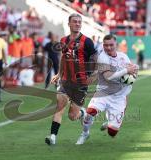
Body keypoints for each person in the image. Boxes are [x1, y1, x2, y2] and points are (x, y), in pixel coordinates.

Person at [75, 34, 138, 145]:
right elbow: (108, 76)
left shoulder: (123, 56)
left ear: (116, 45)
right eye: (106, 45)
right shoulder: (102, 57)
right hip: (103, 92)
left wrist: (134, 71)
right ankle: (85, 133)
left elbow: (131, 70)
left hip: (118, 97)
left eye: (111, 45)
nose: (108, 47)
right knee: (90, 112)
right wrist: (125, 71)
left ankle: (110, 122)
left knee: (112, 132)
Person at [45, 13, 97, 145]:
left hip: (80, 83)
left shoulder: (87, 41)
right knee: (59, 107)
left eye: (80, 22)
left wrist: (92, 74)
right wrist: (58, 74)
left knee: (72, 116)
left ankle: (82, 113)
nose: (78, 24)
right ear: (69, 24)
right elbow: (63, 58)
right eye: (75, 21)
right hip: (66, 81)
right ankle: (52, 136)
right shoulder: (63, 41)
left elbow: (94, 58)